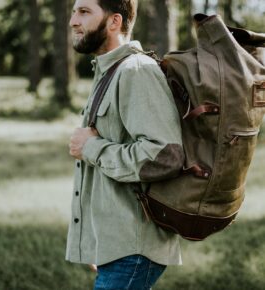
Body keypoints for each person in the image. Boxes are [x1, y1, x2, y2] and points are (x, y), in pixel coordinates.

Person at [66, 0, 185, 289]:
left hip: (134, 250)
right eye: (73, 12)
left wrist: (91, 147)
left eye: (84, 12)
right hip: (117, 247)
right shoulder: (109, 70)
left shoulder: (136, 71)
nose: (73, 21)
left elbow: (165, 155)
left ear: (114, 21)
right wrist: (100, 241)